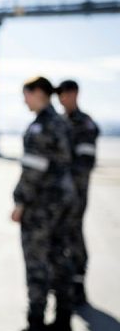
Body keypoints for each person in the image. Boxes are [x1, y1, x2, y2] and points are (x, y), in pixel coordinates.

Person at [6, 76, 77, 331]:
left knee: (37, 265)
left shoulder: (40, 127)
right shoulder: (61, 122)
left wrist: (20, 202)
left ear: (38, 93)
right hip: (63, 203)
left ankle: (36, 328)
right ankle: (62, 324)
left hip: (42, 205)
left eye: (26, 95)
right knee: (60, 261)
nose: (25, 100)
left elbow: (32, 171)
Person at [56, 79, 100, 306]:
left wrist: (70, 188)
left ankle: (78, 284)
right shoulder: (61, 122)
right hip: (60, 194)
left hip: (76, 193)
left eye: (63, 93)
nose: (60, 98)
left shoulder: (85, 124)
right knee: (61, 236)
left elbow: (85, 162)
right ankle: (64, 283)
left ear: (74, 94)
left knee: (74, 234)